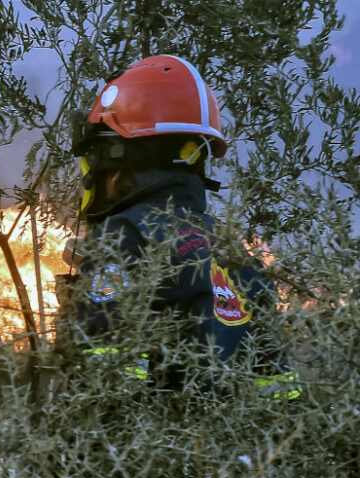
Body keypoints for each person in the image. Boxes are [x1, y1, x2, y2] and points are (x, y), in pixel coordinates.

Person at [58, 54, 299, 400]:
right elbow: (280, 390)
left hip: (158, 448)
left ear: (116, 157)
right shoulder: (230, 248)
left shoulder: (122, 237)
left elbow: (104, 386)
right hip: (236, 450)